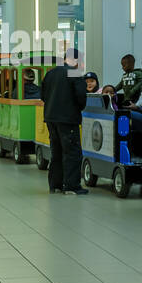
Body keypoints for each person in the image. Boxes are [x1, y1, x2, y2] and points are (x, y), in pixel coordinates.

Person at [41, 51, 88, 195]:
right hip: (68, 120)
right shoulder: (74, 73)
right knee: (72, 152)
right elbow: (81, 98)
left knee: (57, 152)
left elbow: (43, 95)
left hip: (51, 118)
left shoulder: (50, 73)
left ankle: (55, 185)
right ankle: (72, 186)